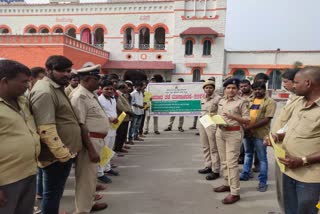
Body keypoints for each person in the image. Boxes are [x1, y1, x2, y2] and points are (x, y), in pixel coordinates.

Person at [29, 55, 82, 214]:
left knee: (53, 194)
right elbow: (45, 129)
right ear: (48, 70)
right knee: (52, 195)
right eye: (61, 71)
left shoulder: (54, 87)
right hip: (56, 155)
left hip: (61, 153)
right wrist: (63, 155)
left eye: (68, 71)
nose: (67, 74)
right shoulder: (45, 91)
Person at [265, 66, 320, 214]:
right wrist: (278, 136)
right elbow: (293, 129)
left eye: (295, 82)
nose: (292, 85)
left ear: (308, 83)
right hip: (289, 171)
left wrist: (302, 160)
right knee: (290, 209)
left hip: (310, 179)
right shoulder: (300, 103)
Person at [0, 60, 40, 214]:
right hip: (6, 181)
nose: (27, 86)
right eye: (24, 82)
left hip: (28, 173)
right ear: (5, 81)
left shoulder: (22, 101)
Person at [70, 64, 109, 213]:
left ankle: (89, 203)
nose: (99, 82)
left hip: (96, 140)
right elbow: (80, 125)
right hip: (89, 142)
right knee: (85, 179)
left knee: (91, 177)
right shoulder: (79, 96)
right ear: (87, 79)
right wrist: (91, 150)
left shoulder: (88, 94)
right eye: (96, 78)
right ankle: (82, 210)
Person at [213, 78, 250, 204]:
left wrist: (232, 116)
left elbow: (247, 120)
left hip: (233, 133)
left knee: (232, 163)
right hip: (220, 132)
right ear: (225, 89)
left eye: (234, 88)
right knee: (224, 161)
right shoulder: (222, 100)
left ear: (238, 89)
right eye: (228, 88)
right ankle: (227, 183)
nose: (231, 90)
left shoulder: (242, 102)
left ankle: (235, 192)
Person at [271, 68, 300, 212]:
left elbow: (293, 126)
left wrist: (278, 135)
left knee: (289, 187)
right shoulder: (292, 98)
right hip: (280, 145)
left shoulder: (302, 101)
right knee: (282, 185)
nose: (284, 85)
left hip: (290, 149)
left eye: (286, 82)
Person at [240, 82, 276, 192]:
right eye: (255, 89)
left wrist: (250, 127)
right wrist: (245, 127)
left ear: (264, 90)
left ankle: (262, 182)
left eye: (260, 89)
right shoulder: (249, 100)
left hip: (260, 134)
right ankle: (245, 173)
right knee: (248, 154)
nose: (257, 91)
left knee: (262, 158)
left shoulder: (270, 102)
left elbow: (266, 119)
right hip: (247, 132)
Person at [197, 80, 221, 180]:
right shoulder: (202, 98)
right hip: (203, 121)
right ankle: (208, 165)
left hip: (212, 122)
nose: (208, 89)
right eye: (206, 88)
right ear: (204, 89)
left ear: (213, 89)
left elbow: (220, 112)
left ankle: (215, 170)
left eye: (210, 87)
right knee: (205, 146)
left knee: (213, 147)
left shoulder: (218, 99)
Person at [98, 80, 120, 179]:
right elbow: (99, 114)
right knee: (103, 149)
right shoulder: (99, 100)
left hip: (113, 127)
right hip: (104, 127)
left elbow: (113, 111)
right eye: (107, 89)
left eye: (111, 89)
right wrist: (109, 118)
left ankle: (107, 168)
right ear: (101, 89)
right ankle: (100, 173)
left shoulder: (113, 99)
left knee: (110, 149)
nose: (109, 91)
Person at [114, 82, 134, 152]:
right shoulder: (118, 95)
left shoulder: (123, 95)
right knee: (120, 133)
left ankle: (120, 147)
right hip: (121, 117)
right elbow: (120, 106)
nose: (128, 89)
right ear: (122, 88)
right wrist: (129, 112)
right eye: (126, 87)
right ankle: (117, 148)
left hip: (125, 117)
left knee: (123, 134)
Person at [238, 79, 253, 164]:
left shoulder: (255, 96)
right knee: (242, 144)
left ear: (249, 86)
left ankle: (256, 164)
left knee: (253, 147)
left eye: (245, 86)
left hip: (253, 124)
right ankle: (241, 158)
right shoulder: (238, 97)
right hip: (240, 124)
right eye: (241, 87)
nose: (243, 88)